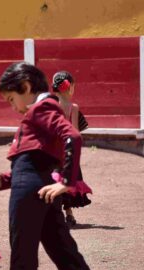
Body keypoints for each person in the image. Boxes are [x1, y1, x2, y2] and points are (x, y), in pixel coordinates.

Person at [0, 62, 104, 270]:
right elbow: (37, 163)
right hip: (43, 189)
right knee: (67, 256)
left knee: (23, 259)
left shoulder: (40, 108)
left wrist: (66, 181)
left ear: (25, 87)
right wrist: (3, 180)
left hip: (32, 192)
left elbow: (73, 136)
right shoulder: (46, 109)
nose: (13, 108)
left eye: (12, 100)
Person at [52, 71, 92, 227]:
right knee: (68, 182)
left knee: (53, 180)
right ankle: (69, 214)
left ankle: (54, 215)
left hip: (53, 150)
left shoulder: (51, 106)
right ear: (70, 87)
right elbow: (74, 132)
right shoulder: (73, 108)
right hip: (67, 150)